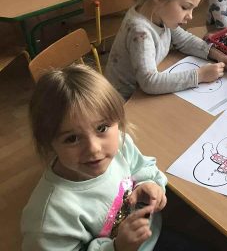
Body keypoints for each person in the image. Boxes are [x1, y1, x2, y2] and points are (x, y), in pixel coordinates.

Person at [21, 65, 168, 251]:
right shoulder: (48, 220)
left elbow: (143, 167)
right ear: (48, 143)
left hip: (154, 234)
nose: (94, 149)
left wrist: (149, 184)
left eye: (101, 128)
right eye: (72, 138)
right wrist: (117, 247)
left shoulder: (120, 144)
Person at [105, 0, 227, 99]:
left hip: (142, 91)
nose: (190, 16)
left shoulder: (159, 14)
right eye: (185, 7)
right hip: (125, 100)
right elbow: (149, 82)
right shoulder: (140, 32)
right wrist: (199, 75)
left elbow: (185, 41)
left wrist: (218, 55)